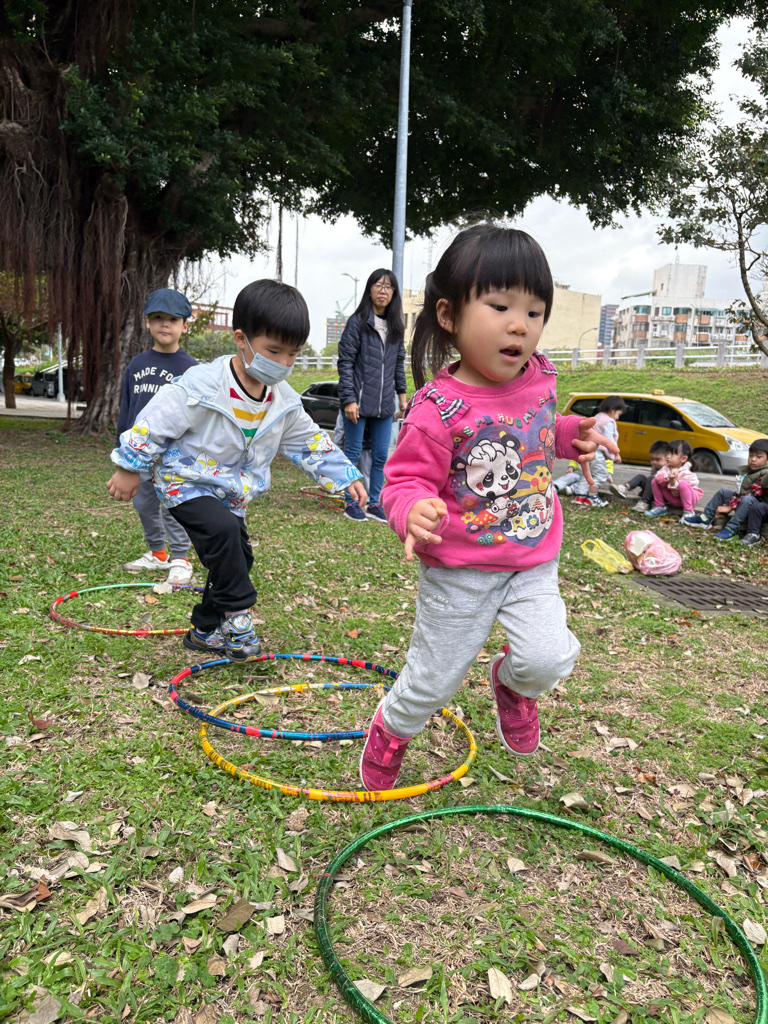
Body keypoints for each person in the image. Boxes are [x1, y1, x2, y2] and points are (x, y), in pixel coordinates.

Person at [357, 224, 619, 792]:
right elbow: (402, 479)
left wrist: (572, 434)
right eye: (500, 306)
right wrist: (411, 507)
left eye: (534, 311)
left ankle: (512, 684)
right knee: (433, 680)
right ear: (449, 315)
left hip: (532, 559)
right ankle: (392, 728)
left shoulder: (540, 378)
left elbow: (540, 431)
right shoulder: (437, 409)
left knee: (548, 658)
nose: (519, 324)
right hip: (460, 571)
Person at [107, 280, 367, 661]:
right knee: (224, 534)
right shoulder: (202, 385)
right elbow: (156, 420)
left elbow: (310, 441)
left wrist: (345, 476)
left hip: (232, 492)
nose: (283, 363)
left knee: (238, 558)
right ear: (241, 339)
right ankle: (238, 616)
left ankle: (203, 630)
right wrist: (130, 466)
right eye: (273, 351)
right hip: (185, 482)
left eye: (292, 354)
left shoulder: (283, 402)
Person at [118, 288, 198, 585]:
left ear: (185, 326)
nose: (165, 324)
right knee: (144, 504)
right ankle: (158, 554)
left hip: (174, 454)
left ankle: (180, 558)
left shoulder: (192, 369)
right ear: (147, 323)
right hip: (141, 453)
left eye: (173, 319)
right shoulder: (136, 364)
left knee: (172, 506)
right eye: (158, 318)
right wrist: (123, 452)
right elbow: (127, 407)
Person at [337, 269, 407, 523]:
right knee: (353, 454)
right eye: (378, 285)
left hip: (384, 405)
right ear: (370, 289)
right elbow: (345, 362)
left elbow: (398, 363)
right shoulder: (357, 322)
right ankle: (351, 503)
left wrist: (401, 396)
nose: (383, 291)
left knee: (380, 456)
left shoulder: (396, 327)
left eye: (388, 287)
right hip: (358, 402)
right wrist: (349, 399)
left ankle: (375, 503)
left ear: (393, 293)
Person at [680, 439, 768, 538]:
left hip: (753, 506)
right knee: (724, 492)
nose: (753, 459)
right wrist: (731, 503)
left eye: (759, 457)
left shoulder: (765, 473)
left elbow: (753, 494)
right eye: (751, 455)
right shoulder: (750, 470)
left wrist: (730, 507)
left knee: (748, 499)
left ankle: (731, 528)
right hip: (741, 501)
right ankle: (705, 518)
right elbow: (740, 492)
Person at [645, 439, 702, 521]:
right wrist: (668, 478)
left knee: (683, 484)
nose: (668, 456)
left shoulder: (687, 471)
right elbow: (658, 477)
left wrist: (673, 481)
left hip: (689, 500)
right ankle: (660, 507)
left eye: (672, 454)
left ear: (683, 458)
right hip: (675, 499)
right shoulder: (666, 468)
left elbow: (682, 489)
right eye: (667, 453)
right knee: (655, 481)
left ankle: (688, 512)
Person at [615, 440, 668, 512]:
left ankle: (645, 502)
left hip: (663, 494)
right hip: (653, 491)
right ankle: (624, 488)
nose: (654, 462)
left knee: (652, 478)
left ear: (667, 458)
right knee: (641, 477)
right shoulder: (655, 467)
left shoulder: (669, 469)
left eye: (658, 460)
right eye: (652, 459)